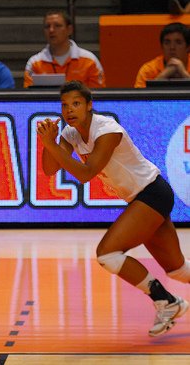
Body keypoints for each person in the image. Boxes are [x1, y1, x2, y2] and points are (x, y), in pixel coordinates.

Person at [37, 80, 190, 337]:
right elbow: (49, 170)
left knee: (107, 254)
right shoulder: (70, 134)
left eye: (76, 103)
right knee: (178, 269)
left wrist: (51, 146)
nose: (70, 110)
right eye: (65, 105)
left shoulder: (107, 129)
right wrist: (49, 142)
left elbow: (86, 173)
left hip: (152, 193)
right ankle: (168, 300)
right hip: (142, 197)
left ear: (89, 106)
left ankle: (166, 301)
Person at [23, 10, 106, 88]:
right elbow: (29, 98)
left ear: (69, 30)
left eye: (57, 26)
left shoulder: (90, 61)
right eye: (47, 26)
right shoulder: (34, 63)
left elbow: (99, 97)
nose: (51, 30)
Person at [134, 22, 190, 88]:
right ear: (162, 47)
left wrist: (184, 74)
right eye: (167, 43)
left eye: (178, 42)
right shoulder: (149, 70)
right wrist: (164, 75)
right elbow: (140, 97)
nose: (172, 47)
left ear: (188, 47)